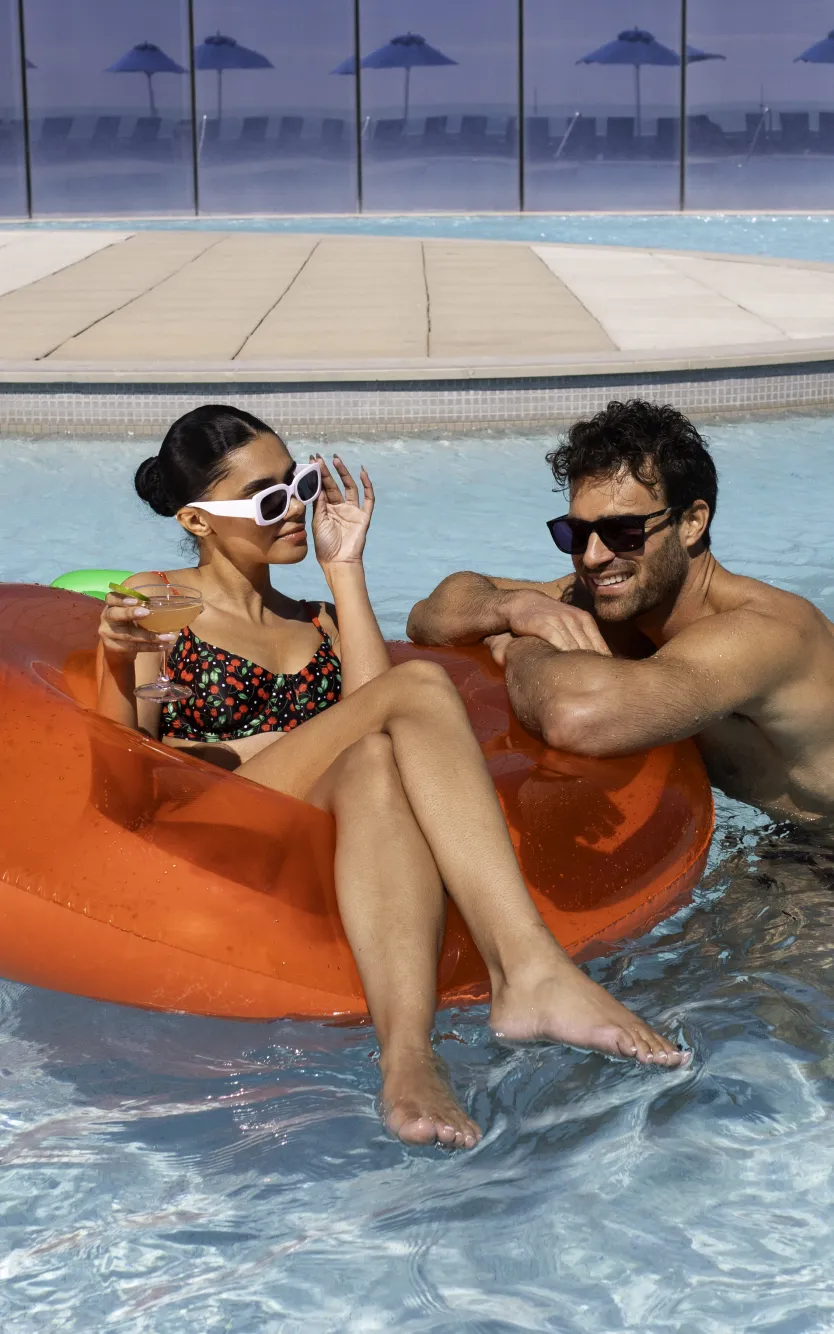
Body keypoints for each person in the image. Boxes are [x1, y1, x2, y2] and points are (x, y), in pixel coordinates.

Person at [96, 405, 687, 1151]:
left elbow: (373, 723)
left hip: (308, 811)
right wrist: (120, 661)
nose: (296, 511)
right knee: (421, 691)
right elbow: (123, 775)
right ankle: (529, 966)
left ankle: (408, 1061)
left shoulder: (314, 619)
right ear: (198, 519)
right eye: (268, 499)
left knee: (376, 758)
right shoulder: (157, 601)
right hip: (209, 823)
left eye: (300, 484)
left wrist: (344, 567)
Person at [408, 398, 834, 823]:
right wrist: (513, 605)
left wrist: (516, 643)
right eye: (575, 533)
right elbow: (430, 614)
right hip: (778, 842)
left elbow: (575, 718)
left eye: (621, 530)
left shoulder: (759, 634)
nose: (592, 557)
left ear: (691, 523)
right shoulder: (622, 597)